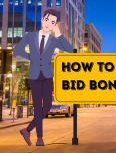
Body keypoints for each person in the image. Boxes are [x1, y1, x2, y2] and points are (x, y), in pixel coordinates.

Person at [13, 9, 73, 146]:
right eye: (47, 20)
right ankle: (39, 138)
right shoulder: (30, 36)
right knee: (38, 107)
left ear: (54, 25)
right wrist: (31, 58)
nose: (48, 23)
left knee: (47, 106)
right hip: (34, 74)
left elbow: (69, 49)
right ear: (42, 20)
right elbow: (16, 49)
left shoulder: (54, 40)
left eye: (52, 22)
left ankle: (27, 130)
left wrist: (59, 35)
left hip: (47, 75)